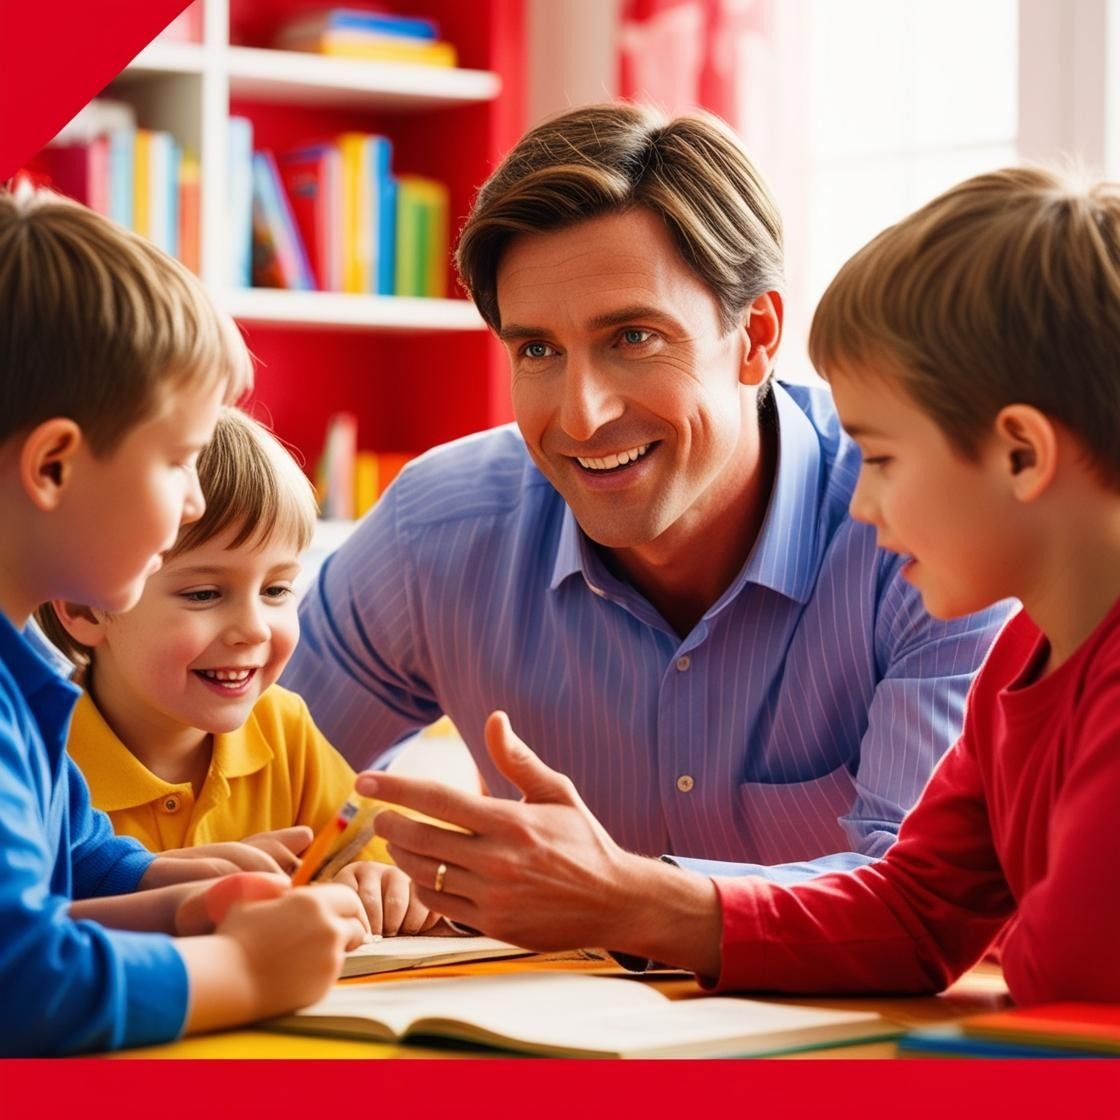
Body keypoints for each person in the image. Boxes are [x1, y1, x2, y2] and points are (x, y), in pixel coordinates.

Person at [363, 165, 1120, 1006]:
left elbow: (1080, 992)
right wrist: (617, 897)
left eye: (884, 458)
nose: (862, 502)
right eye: (536, 349)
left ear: (1022, 454)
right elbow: (913, 914)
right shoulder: (1027, 654)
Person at [285, 102, 1008, 880]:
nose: (581, 414)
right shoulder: (436, 532)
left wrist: (619, 894)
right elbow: (259, 796)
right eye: (537, 349)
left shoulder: (923, 530)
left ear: (757, 337)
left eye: (633, 338)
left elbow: (914, 897)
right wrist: (365, 868)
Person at [0, 185, 369, 1056]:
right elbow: (22, 981)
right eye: (179, 462)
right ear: (53, 465)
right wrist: (245, 971)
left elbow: (73, 861)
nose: (196, 497)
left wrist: (179, 897)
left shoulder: (22, 672)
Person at [38, 408, 440, 937]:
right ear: (87, 607)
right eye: (204, 594)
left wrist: (380, 881)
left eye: (276, 590)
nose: (253, 629)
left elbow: (392, 863)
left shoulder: (284, 727)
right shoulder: (40, 755)